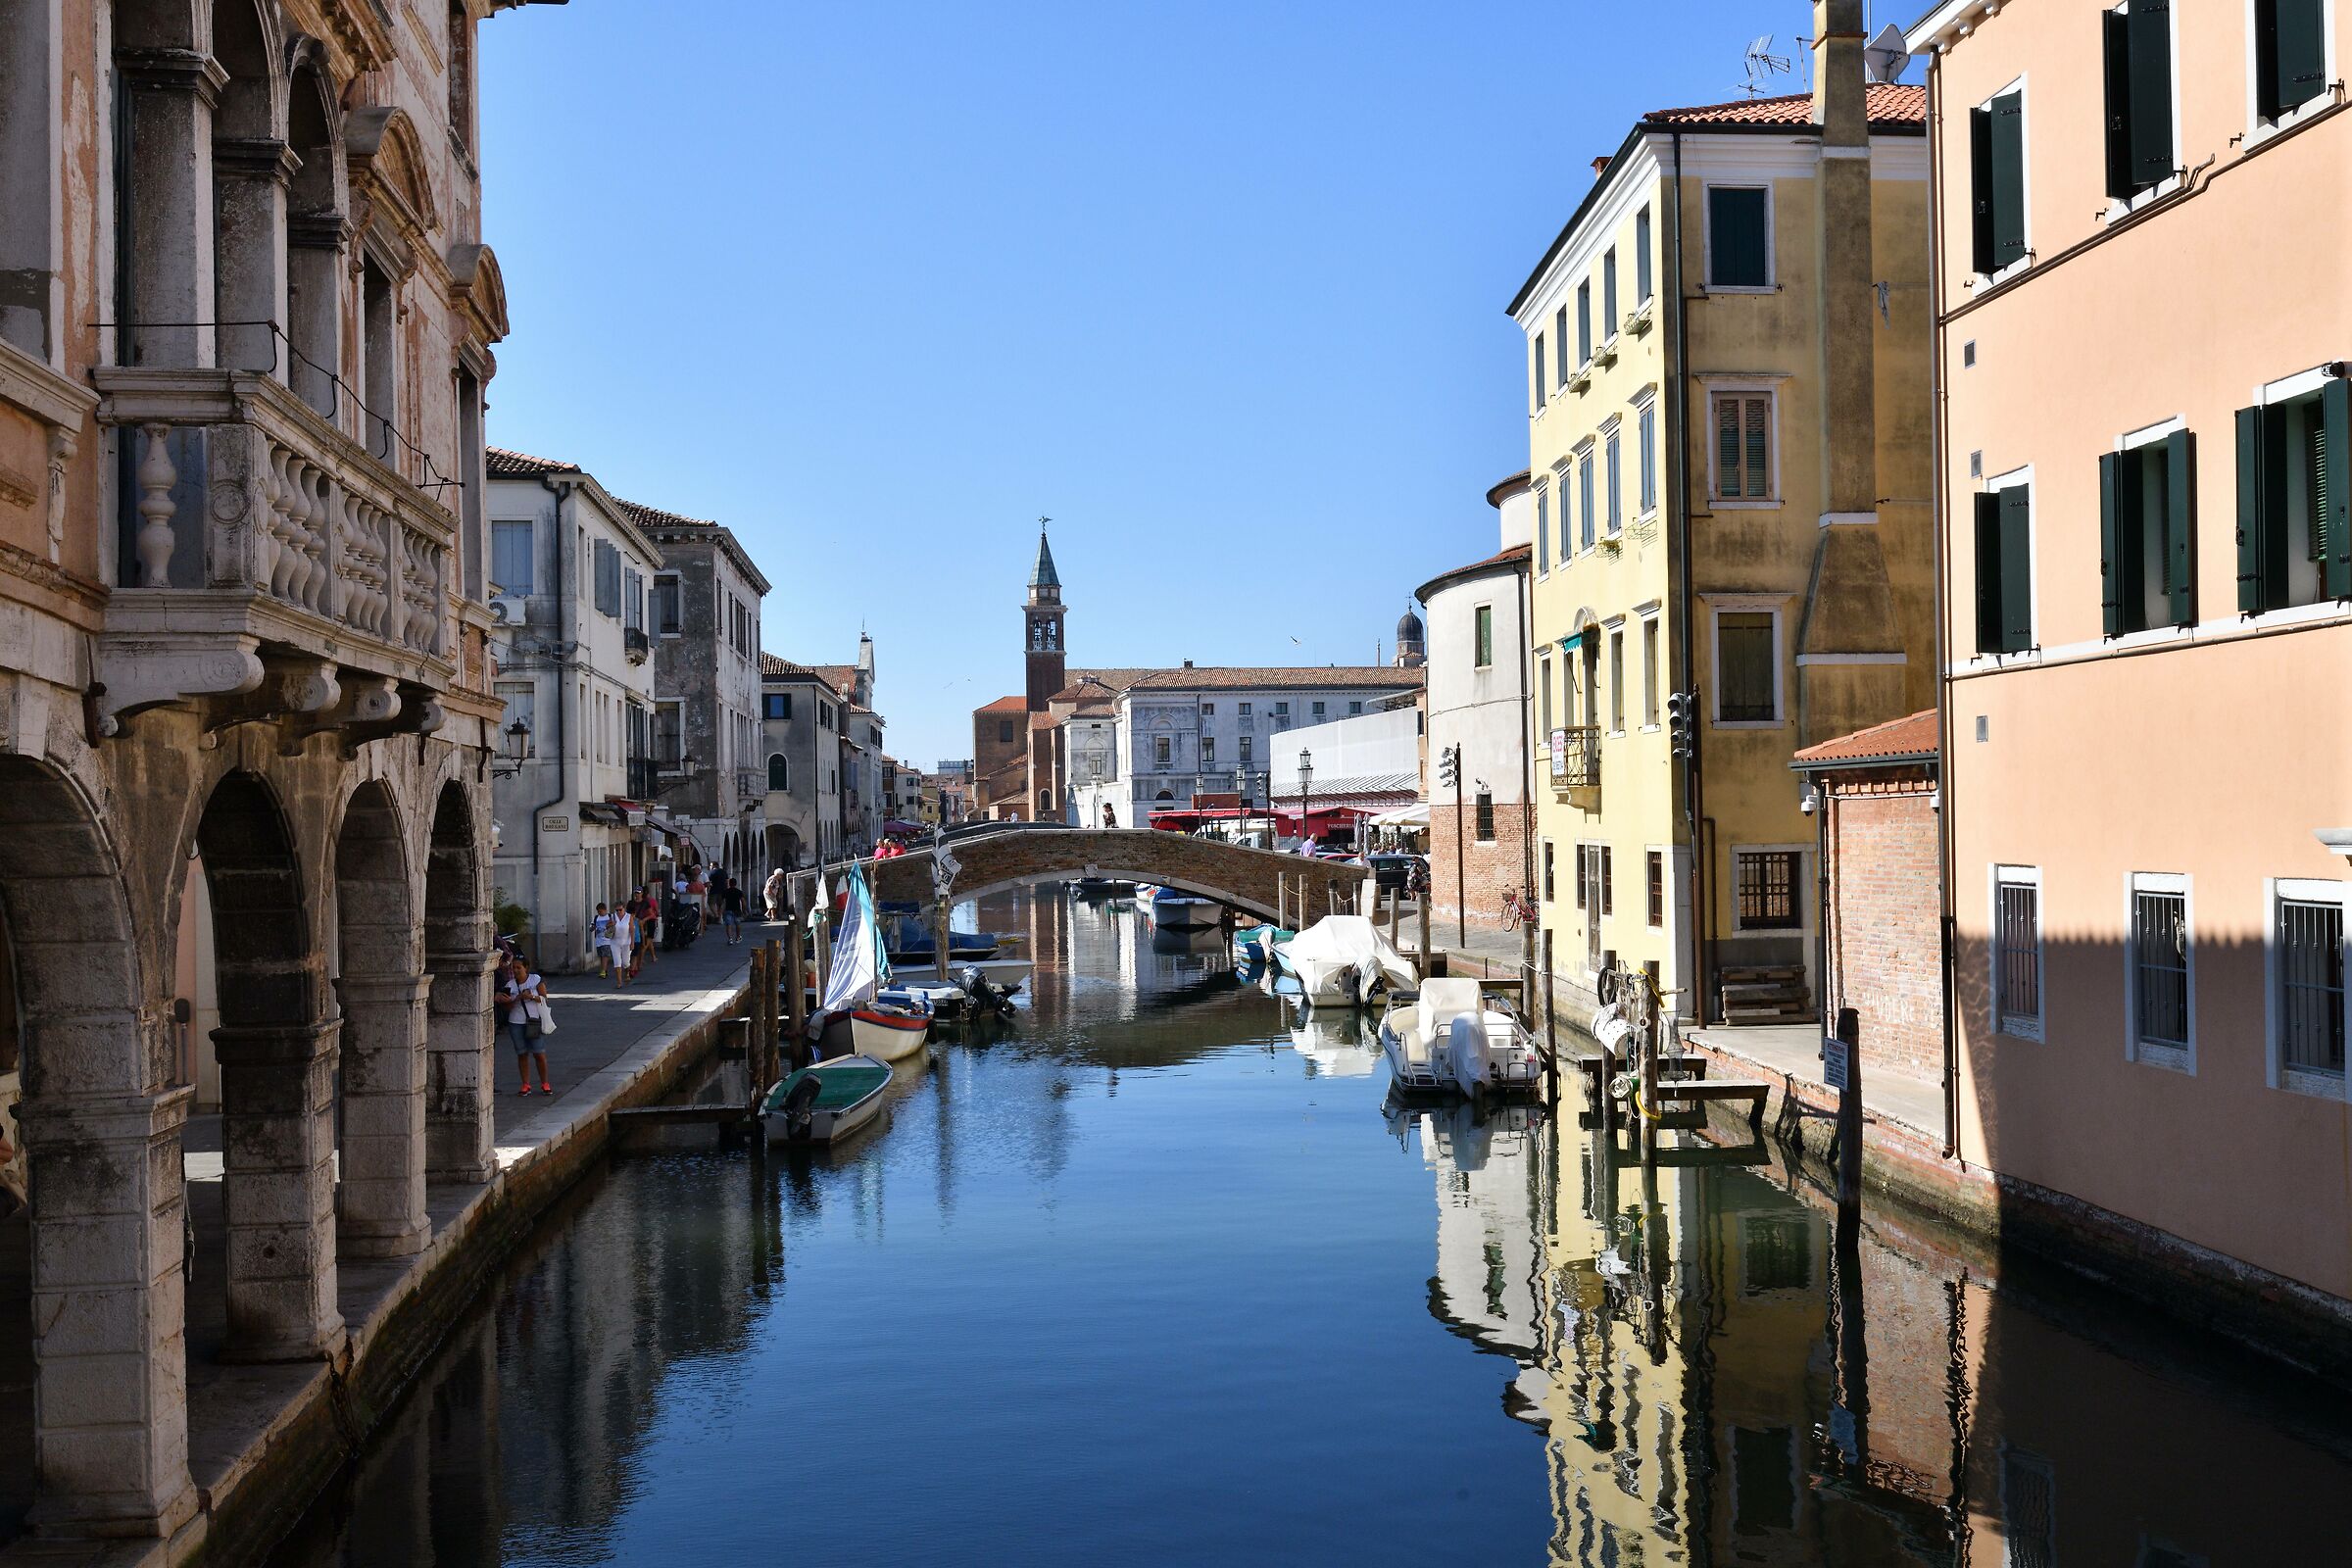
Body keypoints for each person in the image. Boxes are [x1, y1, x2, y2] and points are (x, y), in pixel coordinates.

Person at [500, 956, 551, 1096]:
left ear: (526, 968)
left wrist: (531, 997)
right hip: (516, 1022)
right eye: (513, 967)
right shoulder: (509, 985)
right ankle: (526, 1084)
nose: (515, 970)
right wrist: (516, 998)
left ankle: (545, 1083)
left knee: (539, 1053)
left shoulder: (535, 980)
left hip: (533, 1021)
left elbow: (544, 998)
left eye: (518, 967)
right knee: (521, 1053)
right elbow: (507, 1008)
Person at [630, 886, 659, 974]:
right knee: (635, 945)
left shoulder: (645, 903)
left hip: (643, 926)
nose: (637, 895)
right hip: (633, 925)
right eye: (635, 893)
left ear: (642, 893)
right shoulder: (631, 903)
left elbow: (651, 915)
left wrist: (643, 920)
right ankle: (635, 965)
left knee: (642, 944)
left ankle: (638, 964)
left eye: (638, 893)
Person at [610, 900, 634, 989]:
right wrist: (611, 924)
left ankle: (627, 972)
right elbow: (607, 927)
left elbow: (631, 930)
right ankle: (619, 982)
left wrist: (632, 942)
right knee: (617, 962)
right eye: (617, 910)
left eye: (620, 910)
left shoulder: (629, 917)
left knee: (626, 962)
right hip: (615, 942)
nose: (619, 912)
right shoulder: (612, 917)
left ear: (624, 909)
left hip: (626, 942)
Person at [590, 902, 614, 977]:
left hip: (607, 940)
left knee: (605, 955)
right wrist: (593, 928)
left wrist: (608, 925)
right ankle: (604, 969)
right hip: (598, 940)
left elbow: (614, 923)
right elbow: (591, 928)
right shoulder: (596, 918)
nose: (599, 913)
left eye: (600, 911)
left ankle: (603, 971)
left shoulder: (610, 916)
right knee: (601, 955)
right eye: (598, 911)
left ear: (605, 910)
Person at [721, 876, 746, 945]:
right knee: (737, 924)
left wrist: (721, 911)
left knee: (728, 924)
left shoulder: (725, 892)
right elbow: (743, 901)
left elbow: (723, 902)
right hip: (737, 910)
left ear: (729, 883)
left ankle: (730, 939)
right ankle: (738, 937)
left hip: (728, 909)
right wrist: (744, 910)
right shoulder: (739, 892)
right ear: (735, 884)